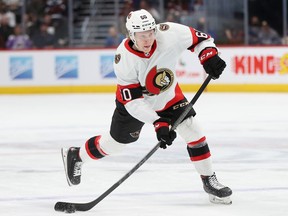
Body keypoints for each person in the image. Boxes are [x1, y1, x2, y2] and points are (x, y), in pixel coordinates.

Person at [61, 9, 232, 205]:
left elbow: (201, 39)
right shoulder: (124, 58)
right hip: (135, 106)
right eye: (142, 36)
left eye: (151, 32)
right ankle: (77, 155)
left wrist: (209, 56)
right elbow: (133, 101)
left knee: (193, 131)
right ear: (131, 35)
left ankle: (209, 181)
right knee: (115, 145)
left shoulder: (169, 33)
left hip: (169, 97)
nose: (148, 39)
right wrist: (157, 122)